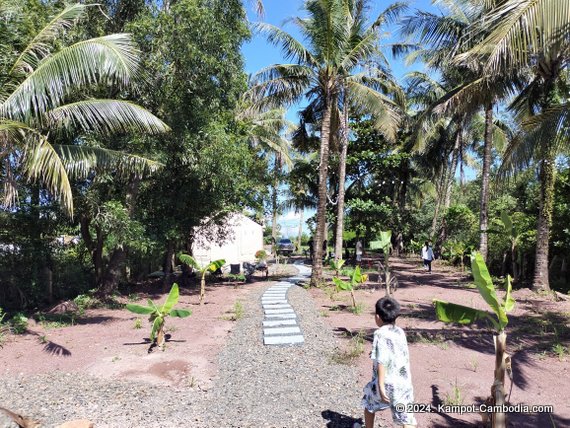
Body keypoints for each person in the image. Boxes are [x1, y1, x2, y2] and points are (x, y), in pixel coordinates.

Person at [361, 297, 417, 428]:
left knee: (369, 404)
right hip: (403, 383)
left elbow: (382, 360)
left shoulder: (379, 333)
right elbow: (394, 351)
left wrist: (380, 385)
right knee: (406, 418)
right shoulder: (400, 332)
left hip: (386, 383)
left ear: (377, 316)